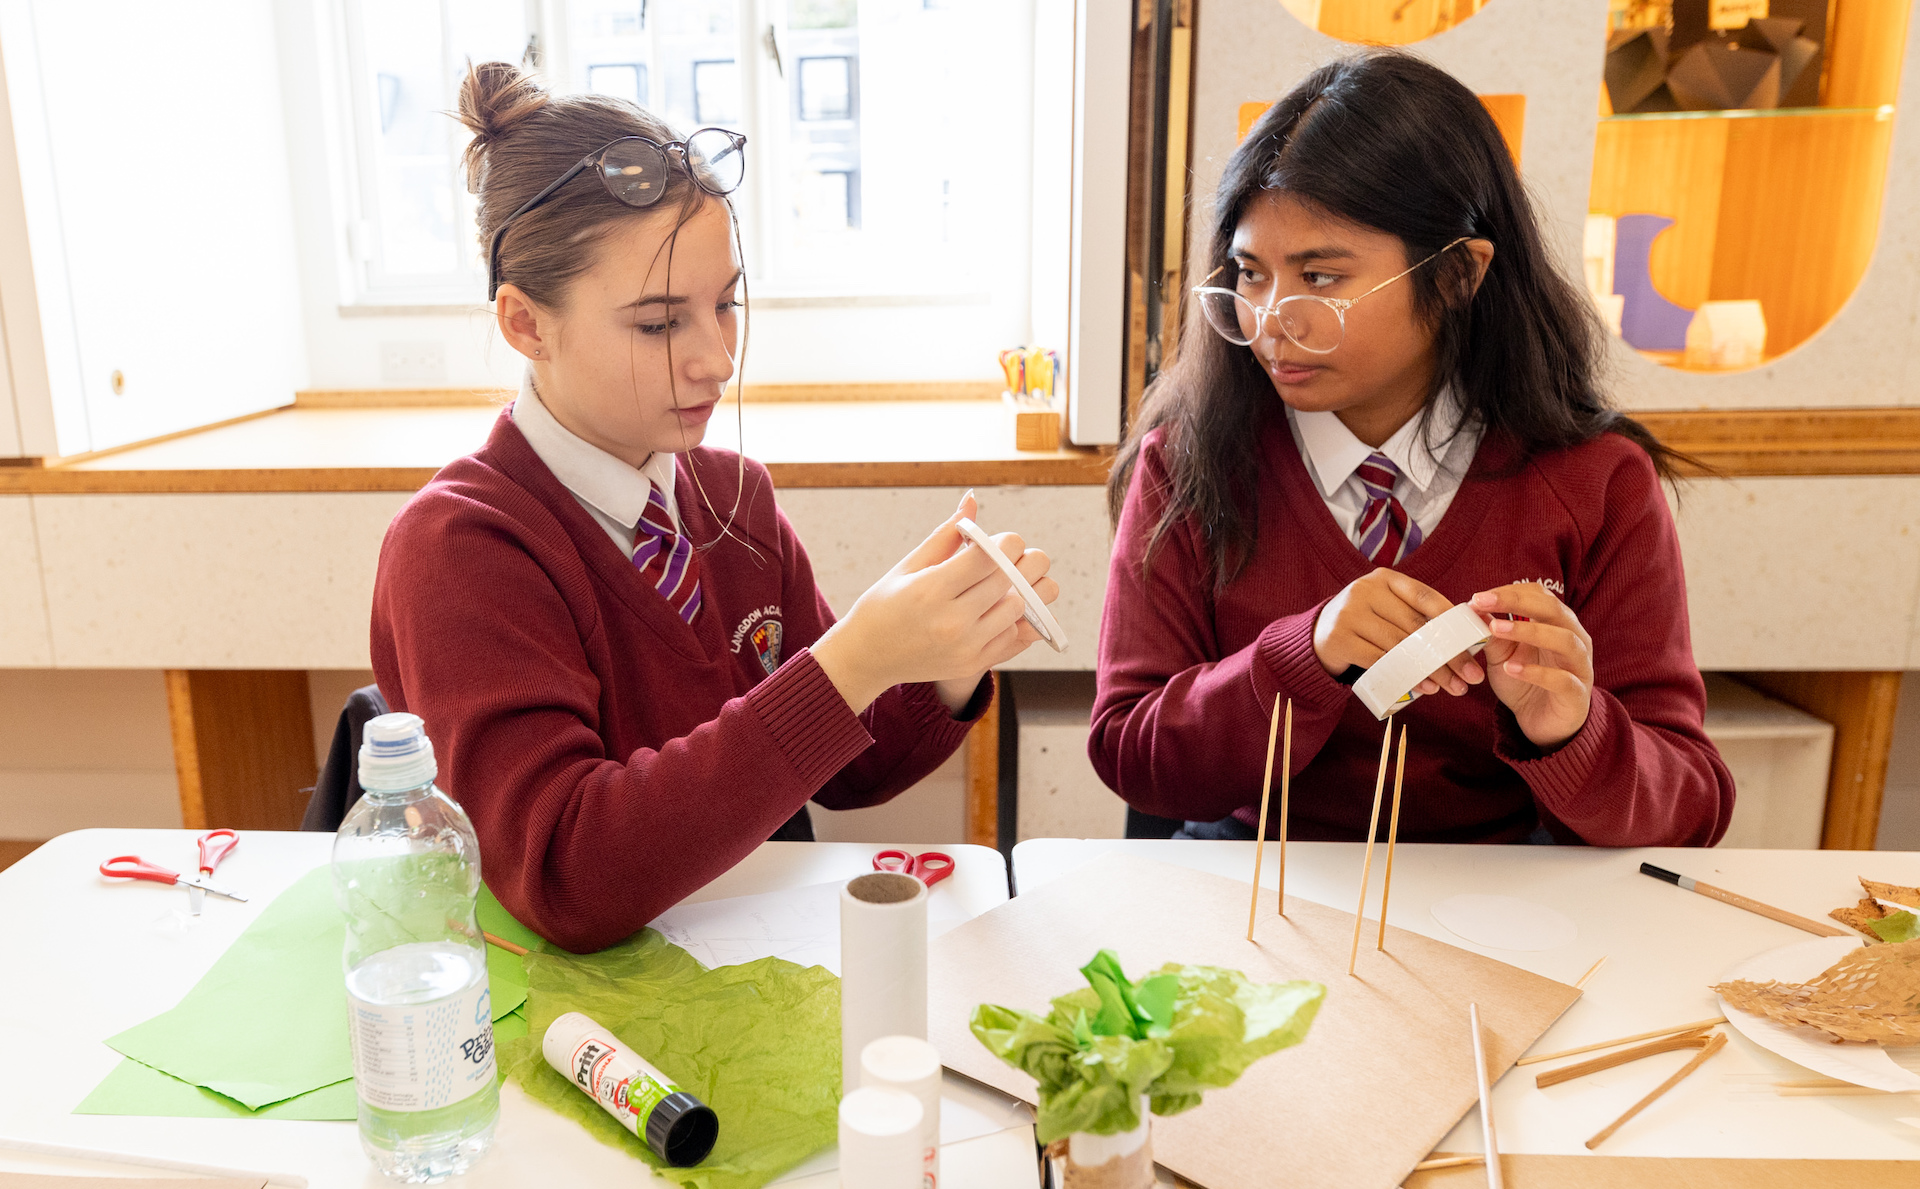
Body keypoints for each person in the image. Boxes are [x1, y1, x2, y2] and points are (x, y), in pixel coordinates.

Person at [371, 63, 1057, 951]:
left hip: (743, 954)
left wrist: (940, 657)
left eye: (726, 304)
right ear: (526, 324)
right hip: (570, 1001)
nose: (717, 360)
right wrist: (851, 661)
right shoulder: (461, 547)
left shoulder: (736, 500)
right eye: (659, 324)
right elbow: (566, 876)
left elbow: (849, 768)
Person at [1091, 50, 1733, 847]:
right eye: (1250, 275)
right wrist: (1303, 656)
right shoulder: (1187, 464)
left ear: (1459, 274)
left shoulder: (1596, 482)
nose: (1271, 322)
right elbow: (1133, 758)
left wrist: (1573, 732)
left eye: (1321, 278)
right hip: (1248, 877)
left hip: (1504, 885)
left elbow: (1692, 807)